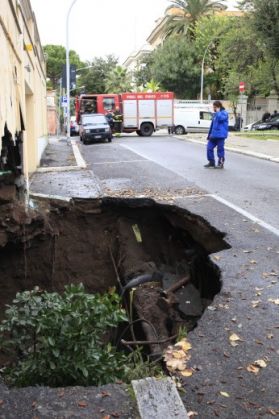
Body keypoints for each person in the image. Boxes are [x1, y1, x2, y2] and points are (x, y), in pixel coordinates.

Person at [204, 100, 229, 169]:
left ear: (218, 107)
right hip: (213, 136)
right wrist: (209, 135)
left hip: (220, 135)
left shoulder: (224, 113)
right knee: (209, 148)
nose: (213, 108)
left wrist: (218, 112)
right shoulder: (215, 114)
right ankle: (211, 162)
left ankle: (220, 163)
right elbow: (212, 126)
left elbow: (221, 119)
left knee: (220, 149)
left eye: (214, 107)